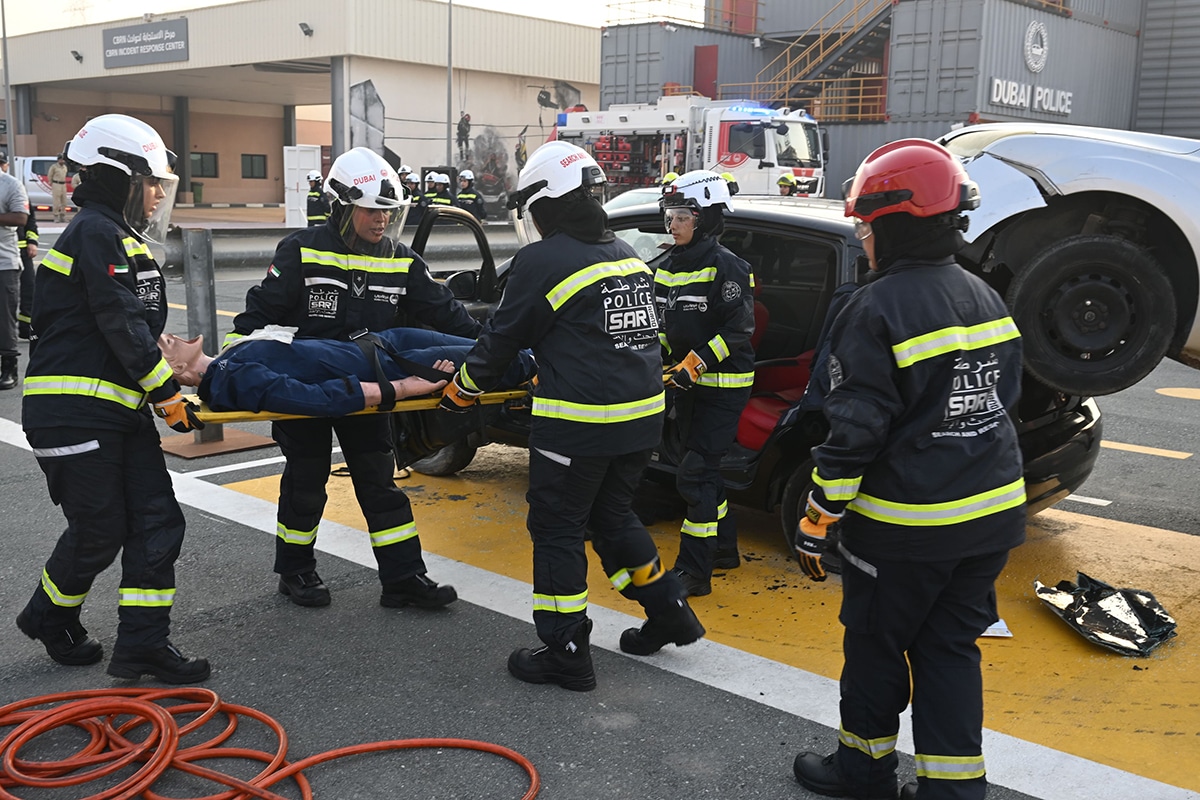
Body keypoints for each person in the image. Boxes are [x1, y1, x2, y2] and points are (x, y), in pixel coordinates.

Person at [790, 139, 1025, 800]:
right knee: (950, 651)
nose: (863, 239)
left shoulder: (875, 308)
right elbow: (1003, 402)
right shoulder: (984, 298)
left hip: (906, 531)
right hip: (990, 524)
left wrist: (817, 519)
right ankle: (953, 791)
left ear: (894, 223)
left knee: (873, 647)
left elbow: (855, 433)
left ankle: (862, 774)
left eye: (866, 226)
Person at [440, 140, 704, 692]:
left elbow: (500, 339)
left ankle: (565, 649)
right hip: (641, 421)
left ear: (550, 203)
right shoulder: (625, 255)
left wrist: (460, 394)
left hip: (581, 426)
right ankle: (669, 612)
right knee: (614, 518)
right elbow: (624, 337)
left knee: (557, 528)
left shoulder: (544, 259)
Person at [225, 147, 482, 611]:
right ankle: (296, 571)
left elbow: (450, 315)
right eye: (371, 210)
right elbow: (257, 320)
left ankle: (403, 578)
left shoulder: (401, 260)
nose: (381, 221)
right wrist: (234, 368)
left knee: (379, 479)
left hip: (369, 385)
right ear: (342, 207)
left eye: (389, 211)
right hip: (310, 385)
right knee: (307, 476)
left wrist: (493, 350)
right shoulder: (301, 251)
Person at [16, 114, 210, 684]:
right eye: (150, 182)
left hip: (117, 412)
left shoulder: (118, 236)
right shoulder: (96, 232)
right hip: (73, 412)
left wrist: (173, 364)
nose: (156, 196)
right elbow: (121, 323)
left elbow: (132, 331)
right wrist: (169, 394)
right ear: (116, 177)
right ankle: (48, 617)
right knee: (100, 528)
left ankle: (143, 647)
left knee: (157, 522)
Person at [655, 170, 755, 596]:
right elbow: (662, 329)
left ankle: (694, 572)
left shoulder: (730, 268)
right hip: (686, 384)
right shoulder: (664, 267)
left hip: (725, 386)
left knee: (694, 475)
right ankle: (724, 548)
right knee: (704, 471)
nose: (672, 224)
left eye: (682, 215)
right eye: (670, 215)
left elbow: (738, 331)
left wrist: (692, 365)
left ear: (707, 218)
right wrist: (655, 363)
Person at [160, 328, 534, 417]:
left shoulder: (230, 355)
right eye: (165, 343)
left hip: (385, 343)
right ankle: (549, 369)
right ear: (178, 369)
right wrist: (406, 386)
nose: (170, 335)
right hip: (390, 366)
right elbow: (316, 399)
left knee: (487, 339)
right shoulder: (229, 380)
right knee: (500, 358)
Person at [0, 150, 29, 390]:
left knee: (4, 318)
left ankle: (8, 366)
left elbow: (21, 217)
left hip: (3, 263)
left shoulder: (10, 184)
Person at [16, 204, 38, 343]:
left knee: (29, 288)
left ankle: (26, 328)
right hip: (5, 250)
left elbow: (30, 219)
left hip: (22, 250)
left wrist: (32, 241)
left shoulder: (16, 189)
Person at [48, 153, 70, 222]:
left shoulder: (65, 167)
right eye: (61, 160)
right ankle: (56, 216)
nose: (62, 161)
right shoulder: (54, 167)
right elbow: (50, 175)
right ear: (58, 160)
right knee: (56, 201)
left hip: (63, 185)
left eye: (63, 160)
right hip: (56, 184)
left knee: (64, 201)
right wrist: (51, 183)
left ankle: (63, 216)